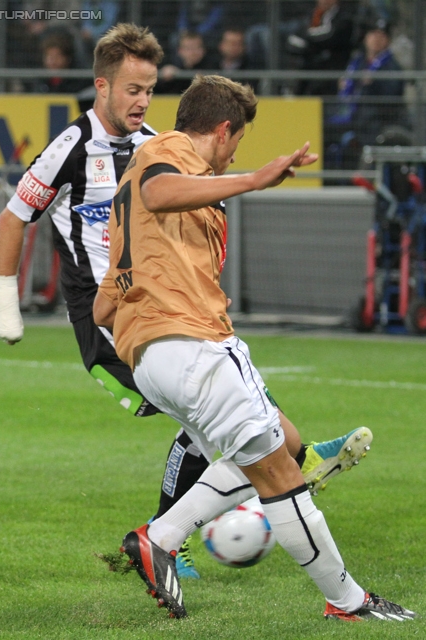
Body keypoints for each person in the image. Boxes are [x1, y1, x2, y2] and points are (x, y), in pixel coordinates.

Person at [0, 22, 371, 583]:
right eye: (132, 90)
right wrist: (6, 303)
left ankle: (201, 514)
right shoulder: (71, 146)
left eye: (149, 90)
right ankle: (182, 529)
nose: (143, 102)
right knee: (210, 418)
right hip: (106, 321)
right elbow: (12, 216)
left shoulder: (154, 147)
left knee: (228, 414)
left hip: (157, 305)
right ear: (102, 86)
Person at [94, 74, 416, 622]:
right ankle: (349, 602)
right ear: (223, 130)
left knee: (280, 448)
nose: (234, 153)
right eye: (238, 141)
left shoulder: (140, 199)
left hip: (154, 356)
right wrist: (254, 179)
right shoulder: (168, 151)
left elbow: (103, 308)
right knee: (281, 476)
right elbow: (159, 191)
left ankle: (162, 537)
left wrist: (145, 315)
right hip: (192, 344)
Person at [324, 16, 407, 170]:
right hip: (351, 118)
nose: (376, 39)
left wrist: (374, 83)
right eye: (373, 34)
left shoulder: (391, 66)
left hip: (375, 123)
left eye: (381, 35)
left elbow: (392, 96)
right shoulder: (358, 62)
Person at [286, 0, 354, 95]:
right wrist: (310, 45)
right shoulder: (311, 15)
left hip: (331, 74)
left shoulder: (344, 18)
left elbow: (330, 37)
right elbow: (292, 39)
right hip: (308, 70)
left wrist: (306, 40)